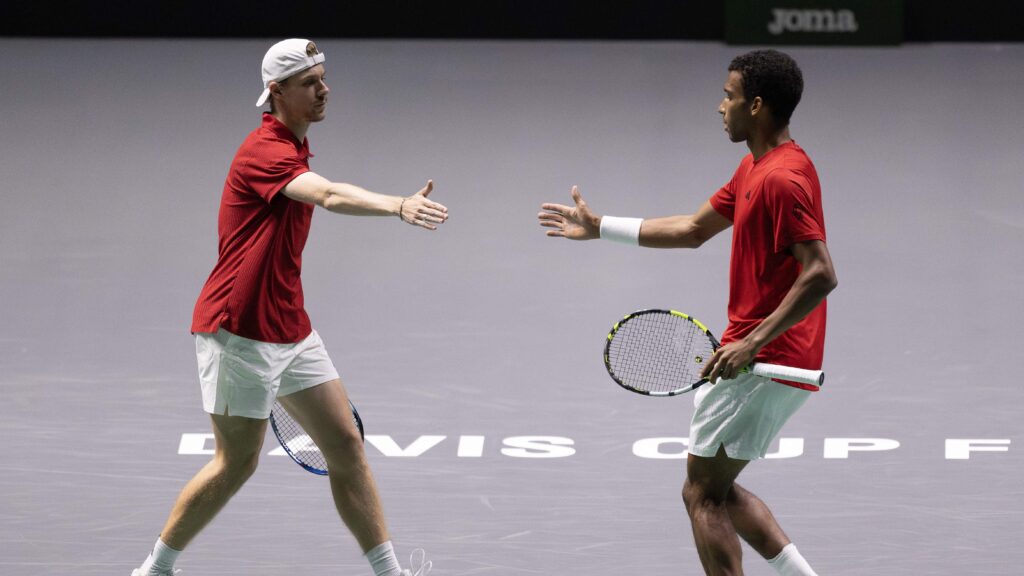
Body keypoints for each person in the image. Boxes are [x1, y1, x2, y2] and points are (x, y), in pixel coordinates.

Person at [132, 38, 445, 576]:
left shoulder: (295, 146)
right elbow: (329, 195)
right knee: (237, 463)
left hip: (289, 327)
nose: (324, 90)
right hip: (239, 330)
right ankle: (153, 571)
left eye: (323, 78)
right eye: (310, 83)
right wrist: (398, 205)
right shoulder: (265, 151)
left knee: (346, 444)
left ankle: (391, 573)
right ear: (276, 93)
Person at [538, 49, 836, 576]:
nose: (720, 106)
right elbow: (693, 230)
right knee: (718, 488)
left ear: (758, 106)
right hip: (777, 358)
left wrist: (751, 343)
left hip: (758, 361)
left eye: (729, 96)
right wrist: (600, 225)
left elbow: (820, 273)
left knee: (702, 496)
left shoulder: (780, 180)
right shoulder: (759, 167)